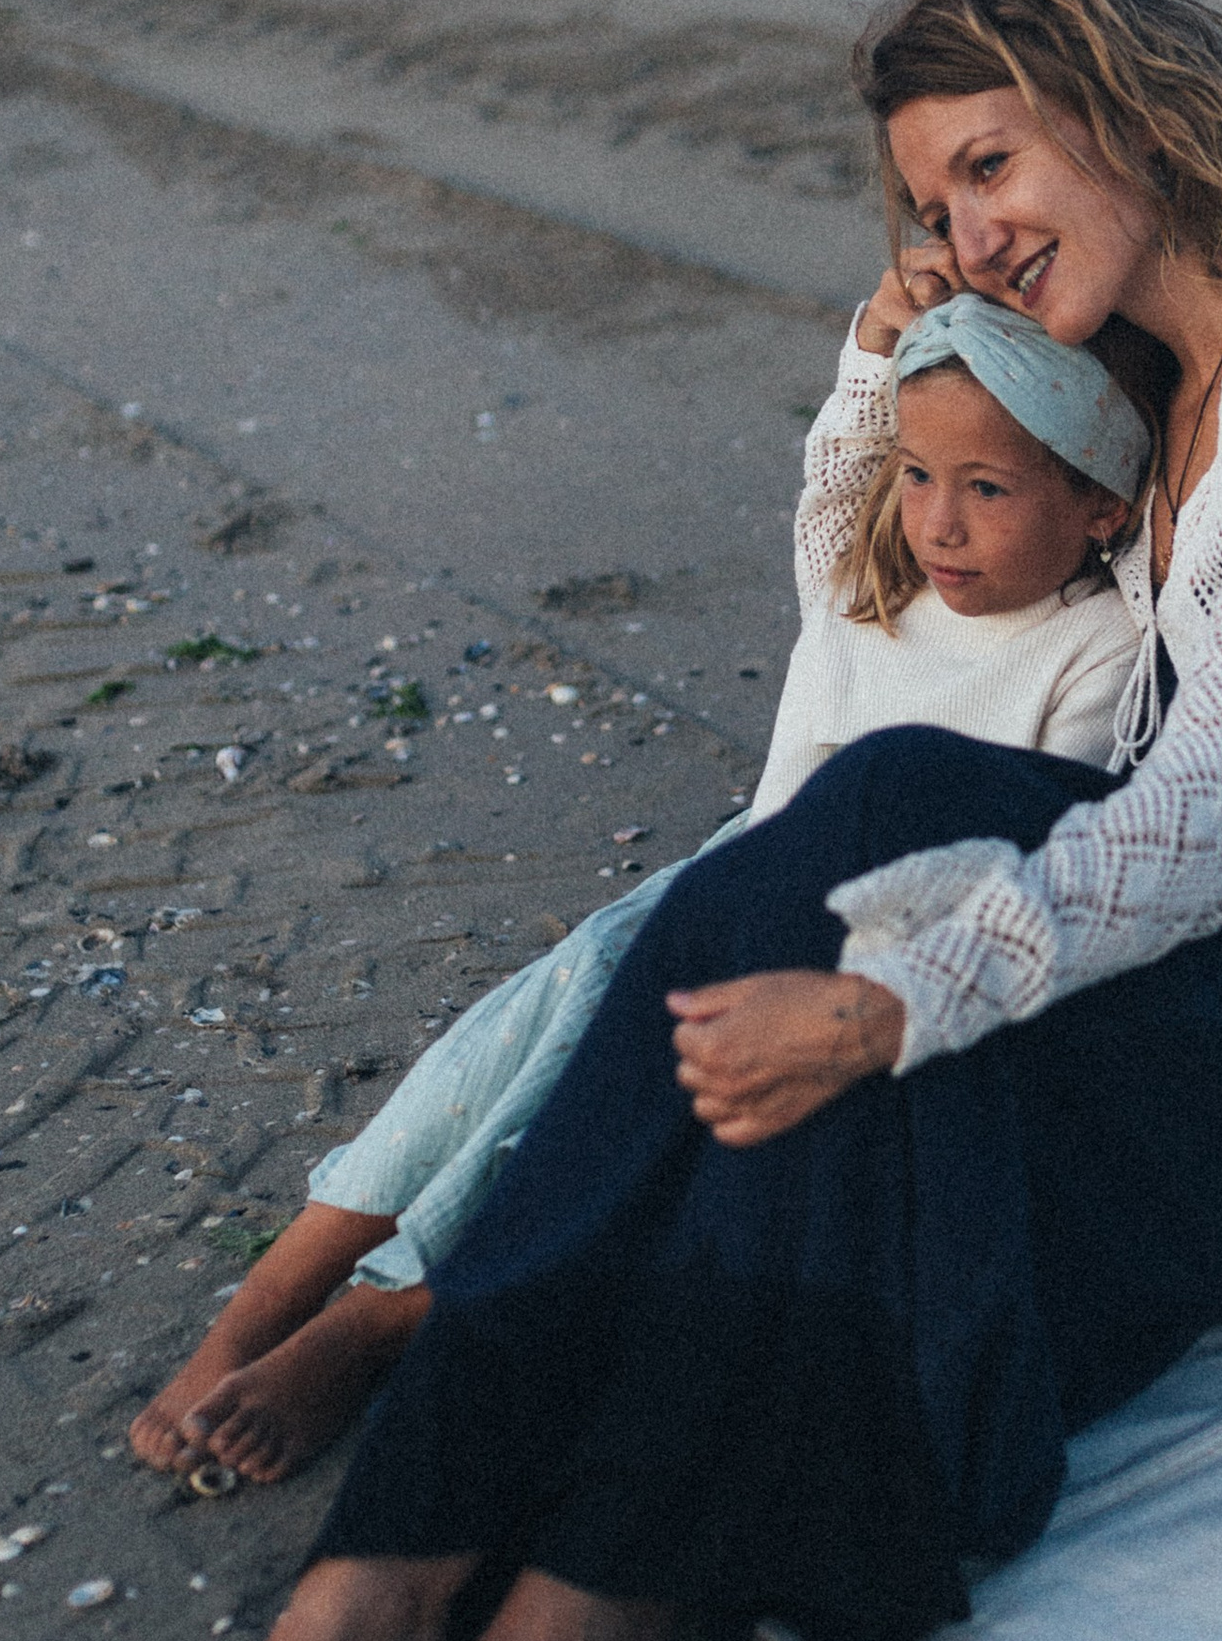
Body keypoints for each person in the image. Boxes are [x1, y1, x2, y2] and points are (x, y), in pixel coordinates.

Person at [93, 0, 1222, 1641]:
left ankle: (588, 1584)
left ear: (1129, 117)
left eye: (995, 168)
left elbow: (1196, 833)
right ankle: (378, 1589)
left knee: (869, 869)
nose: (972, 229)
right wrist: (887, 349)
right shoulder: (1137, 386)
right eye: (933, 196)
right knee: (801, 910)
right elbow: (888, 564)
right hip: (1179, 1006)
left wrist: (898, 1000)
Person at [123, 296, 1154, 1491]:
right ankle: (266, 1305)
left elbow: (1015, 847)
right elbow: (846, 437)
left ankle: (380, 1319)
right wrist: (881, 329)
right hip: (714, 883)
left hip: (842, 961)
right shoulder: (862, 576)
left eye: (989, 489)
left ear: (1101, 506)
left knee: (587, 1090)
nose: (940, 521)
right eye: (919, 474)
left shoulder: (1098, 651)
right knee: (519, 1025)